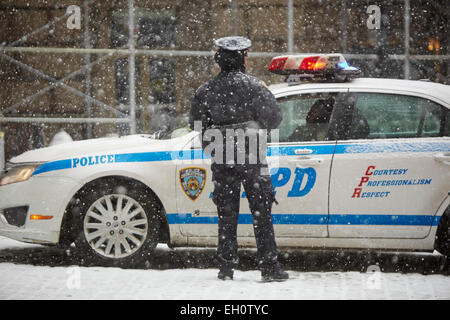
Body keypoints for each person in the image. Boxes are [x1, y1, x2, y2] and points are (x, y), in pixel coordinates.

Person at [189, 36, 288, 281]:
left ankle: (226, 268)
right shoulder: (255, 87)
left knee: (226, 214)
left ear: (219, 60)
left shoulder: (205, 90)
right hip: (253, 156)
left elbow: (195, 123)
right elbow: (274, 119)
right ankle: (269, 267)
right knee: (261, 214)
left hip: (222, 157)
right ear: (242, 58)